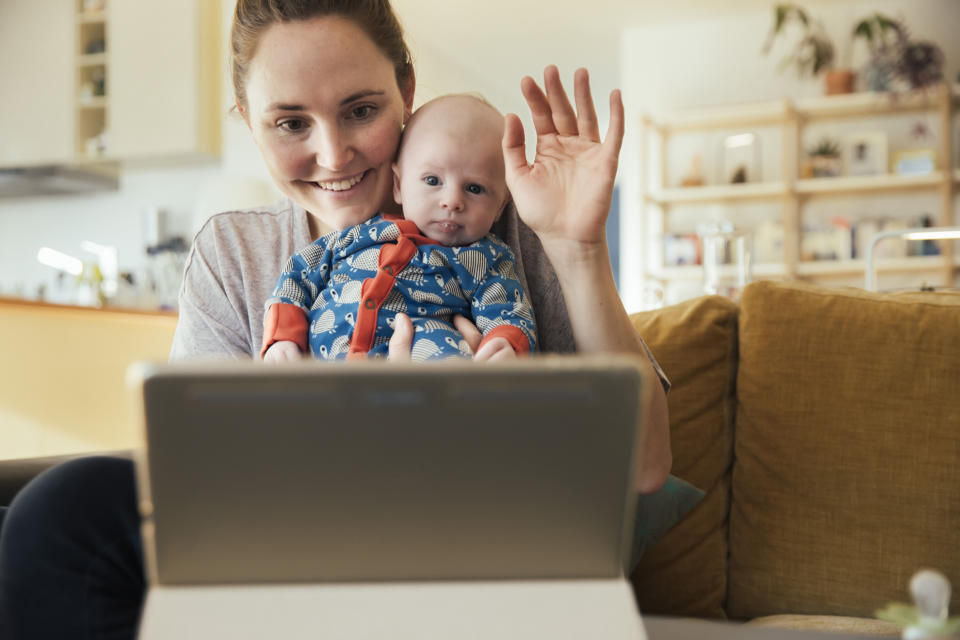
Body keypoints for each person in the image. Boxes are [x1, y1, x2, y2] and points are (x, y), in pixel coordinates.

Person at [0, 1, 672, 638]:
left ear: (406, 89)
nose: (333, 155)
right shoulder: (236, 252)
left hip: (462, 555)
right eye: (291, 123)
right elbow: (211, 499)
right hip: (281, 558)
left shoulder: (501, 223)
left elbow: (643, 469)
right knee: (57, 514)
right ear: (247, 118)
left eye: (360, 110)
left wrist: (579, 248)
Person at [262, 94, 536, 363]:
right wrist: (283, 338)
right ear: (398, 184)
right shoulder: (355, 236)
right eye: (432, 180)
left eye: (474, 188)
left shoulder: (485, 258)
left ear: (500, 205)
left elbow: (507, 309)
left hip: (424, 361)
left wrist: (504, 343)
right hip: (328, 374)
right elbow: (297, 275)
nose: (452, 201)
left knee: (436, 341)